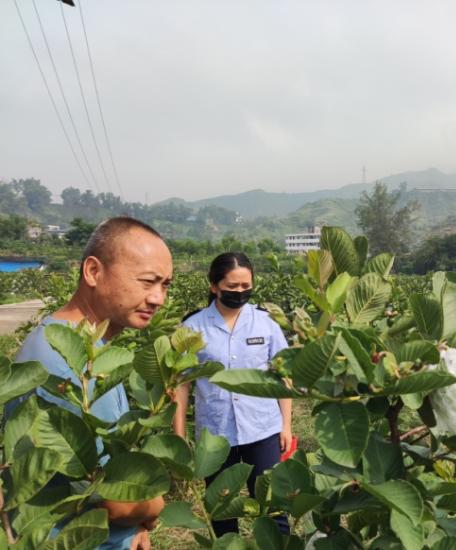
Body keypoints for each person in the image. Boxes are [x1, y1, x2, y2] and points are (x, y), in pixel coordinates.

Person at [6, 217, 172, 549]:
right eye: (147, 282)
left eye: (165, 285)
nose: (158, 298)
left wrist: (135, 527)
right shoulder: (68, 366)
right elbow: (113, 501)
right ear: (93, 272)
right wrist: (153, 506)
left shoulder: (80, 349)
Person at [173, 252, 292, 536]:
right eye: (232, 286)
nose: (240, 292)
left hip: (262, 427)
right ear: (214, 286)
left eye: (245, 286)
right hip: (216, 433)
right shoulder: (193, 327)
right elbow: (181, 384)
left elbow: (284, 375)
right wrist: (179, 435)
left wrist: (286, 425)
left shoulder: (266, 322)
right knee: (220, 510)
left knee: (273, 507)